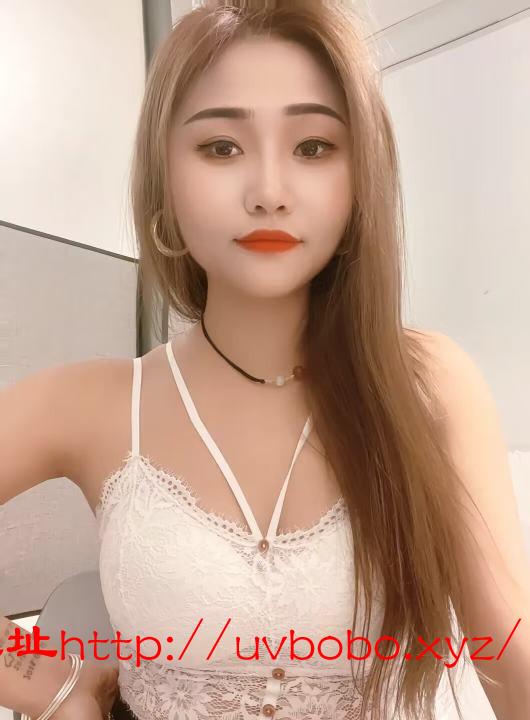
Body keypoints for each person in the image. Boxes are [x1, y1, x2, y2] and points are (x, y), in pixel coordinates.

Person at [1, 1, 530, 718]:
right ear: (165, 178)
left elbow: (513, 656)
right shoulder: (91, 403)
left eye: (313, 147)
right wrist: (48, 683)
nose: (270, 193)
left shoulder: (424, 385)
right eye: (221, 148)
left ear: (360, 178)